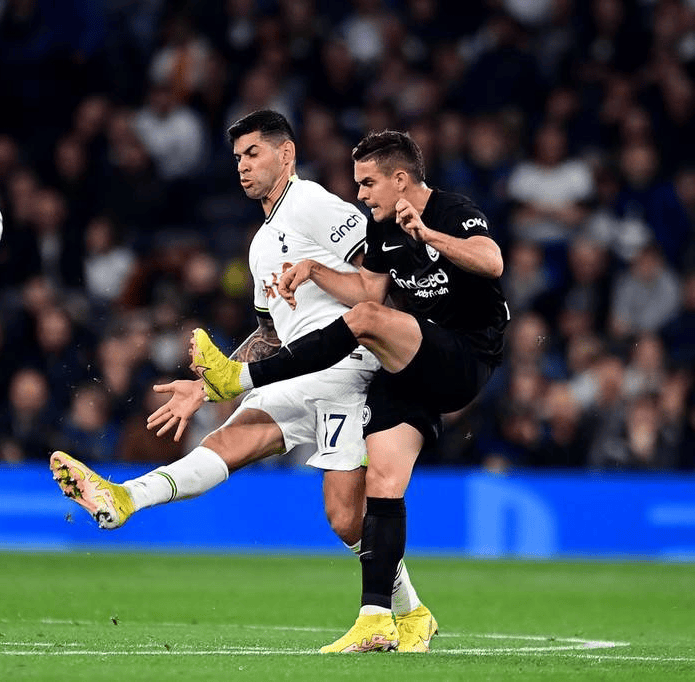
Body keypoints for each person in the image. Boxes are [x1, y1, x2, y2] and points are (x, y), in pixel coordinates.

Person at [50, 111, 436, 653]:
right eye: (236, 157)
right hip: (297, 371)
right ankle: (124, 497)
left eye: (253, 153)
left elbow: (380, 279)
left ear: (286, 154)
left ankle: (407, 612)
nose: (242, 166)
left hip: (346, 368)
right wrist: (205, 386)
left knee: (345, 516)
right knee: (226, 443)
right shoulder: (260, 245)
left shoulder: (314, 203)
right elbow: (268, 334)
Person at [190, 129, 508, 652]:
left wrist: (429, 235)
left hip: (466, 355)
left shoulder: (452, 210)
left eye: (367, 184)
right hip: (411, 366)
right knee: (381, 483)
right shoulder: (382, 228)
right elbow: (368, 289)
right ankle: (379, 618)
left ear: (400, 179)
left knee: (364, 321)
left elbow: (491, 262)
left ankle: (242, 379)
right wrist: (313, 269)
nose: (359, 195)